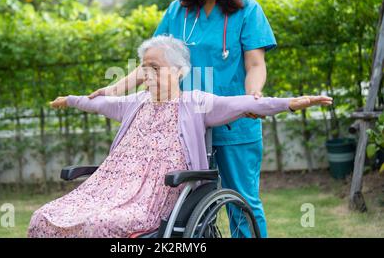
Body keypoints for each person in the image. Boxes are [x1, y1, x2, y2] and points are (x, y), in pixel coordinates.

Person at [27, 36, 332, 238]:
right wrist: (70, 99)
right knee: (44, 217)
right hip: (111, 191)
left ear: (179, 71)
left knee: (96, 224)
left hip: (156, 198)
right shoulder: (134, 104)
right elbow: (96, 103)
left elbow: (246, 103)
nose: (147, 75)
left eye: (155, 68)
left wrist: (291, 103)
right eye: (144, 68)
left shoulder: (196, 103)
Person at [89, 0, 278, 237]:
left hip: (235, 125)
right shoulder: (177, 12)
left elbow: (255, 64)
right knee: (183, 206)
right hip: (183, 126)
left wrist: (251, 97)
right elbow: (149, 63)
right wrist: (113, 90)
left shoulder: (248, 10)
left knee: (243, 203)